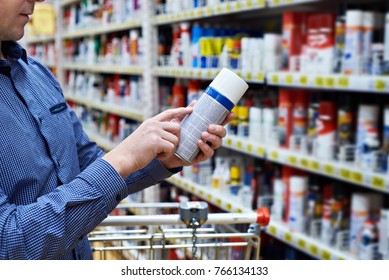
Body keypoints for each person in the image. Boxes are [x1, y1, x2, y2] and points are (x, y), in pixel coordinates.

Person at [0, 0, 233, 259]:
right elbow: (9, 242)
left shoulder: (37, 74)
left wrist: (164, 156)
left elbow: (88, 167)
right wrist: (122, 159)